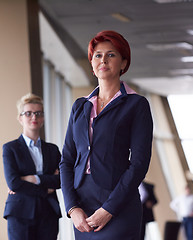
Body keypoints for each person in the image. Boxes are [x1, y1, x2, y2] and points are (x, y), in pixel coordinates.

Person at [60, 30, 154, 239]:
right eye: (98, 55)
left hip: (118, 202)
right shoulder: (80, 106)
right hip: (82, 208)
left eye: (111, 54)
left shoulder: (136, 104)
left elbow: (139, 163)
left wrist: (109, 209)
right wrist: (72, 208)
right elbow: (67, 160)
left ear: (123, 63)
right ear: (92, 64)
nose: (103, 60)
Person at [2, 93, 62, 240]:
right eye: (28, 113)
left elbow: (61, 180)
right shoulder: (10, 148)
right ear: (20, 118)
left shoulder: (52, 150)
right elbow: (14, 183)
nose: (34, 117)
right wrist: (46, 187)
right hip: (20, 213)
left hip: (48, 212)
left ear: (43, 118)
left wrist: (32, 179)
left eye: (38, 113)